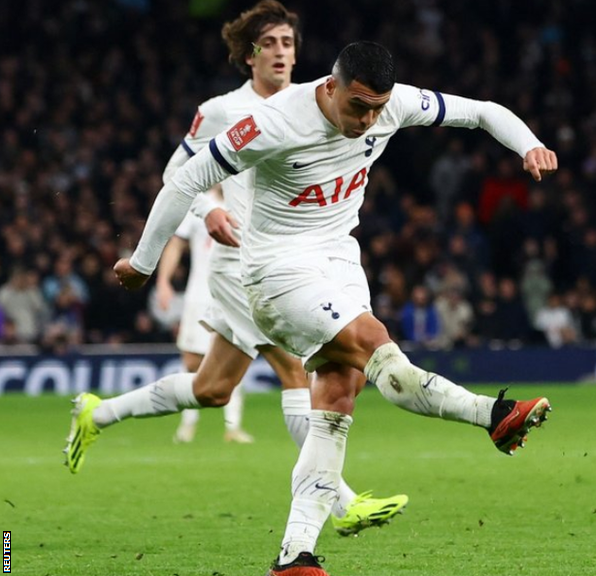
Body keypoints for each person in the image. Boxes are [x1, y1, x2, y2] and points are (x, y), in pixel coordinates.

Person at [102, 41, 555, 576]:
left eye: (377, 109)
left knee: (337, 400)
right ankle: (493, 415)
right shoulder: (274, 121)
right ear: (330, 86)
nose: (368, 119)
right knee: (376, 346)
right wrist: (145, 261)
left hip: (340, 263)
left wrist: (529, 145)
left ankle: (295, 556)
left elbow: (481, 113)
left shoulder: (393, 104)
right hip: (276, 273)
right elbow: (187, 177)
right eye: (358, 105)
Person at [63, 1, 407, 538]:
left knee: (213, 388)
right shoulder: (223, 110)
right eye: (267, 43)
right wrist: (210, 210)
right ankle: (342, 503)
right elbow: (178, 172)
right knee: (303, 370)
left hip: (296, 260)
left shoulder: (319, 106)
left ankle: (97, 413)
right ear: (249, 55)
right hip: (243, 263)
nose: (280, 52)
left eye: (288, 43)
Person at [155, 204, 254, 444]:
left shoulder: (246, 197)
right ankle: (187, 424)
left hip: (235, 292)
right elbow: (177, 243)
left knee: (236, 356)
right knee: (191, 362)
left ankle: (232, 426)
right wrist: (163, 281)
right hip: (200, 295)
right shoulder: (200, 202)